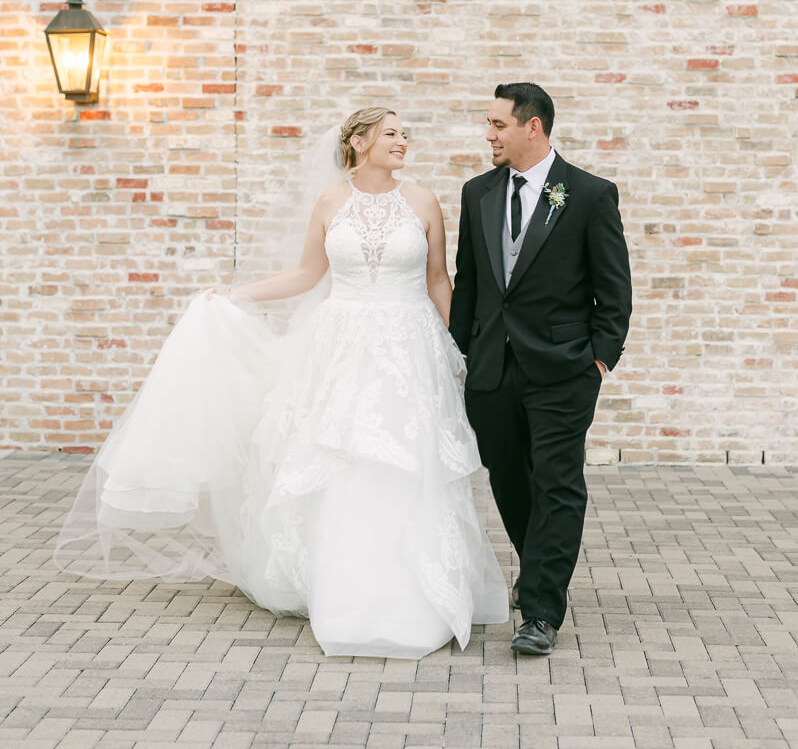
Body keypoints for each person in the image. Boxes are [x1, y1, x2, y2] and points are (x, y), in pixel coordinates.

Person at [55, 106, 509, 659]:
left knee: (408, 461)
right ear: (360, 142)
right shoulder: (330, 203)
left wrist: (456, 349)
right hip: (341, 349)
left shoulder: (422, 201)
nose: (403, 141)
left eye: (404, 133)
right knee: (343, 462)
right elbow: (306, 275)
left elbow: (441, 279)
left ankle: (419, 592)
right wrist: (236, 295)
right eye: (391, 133)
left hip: (411, 347)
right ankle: (346, 590)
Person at [449, 83, 632, 656]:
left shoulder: (589, 194)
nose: (489, 135)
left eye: (498, 125)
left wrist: (598, 360)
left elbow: (615, 291)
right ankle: (541, 574)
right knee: (507, 478)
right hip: (492, 371)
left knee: (558, 483)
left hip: (563, 370)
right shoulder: (476, 192)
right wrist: (461, 354)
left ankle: (541, 610)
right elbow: (471, 285)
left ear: (533, 128)